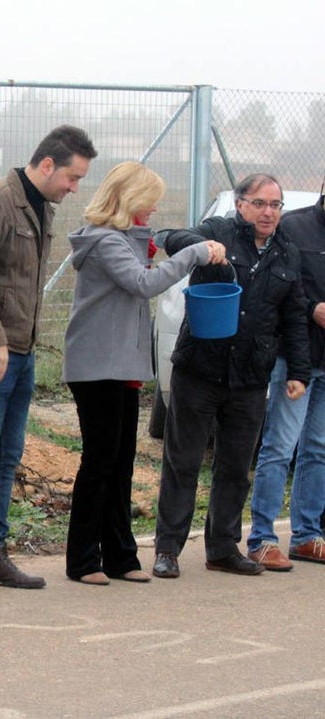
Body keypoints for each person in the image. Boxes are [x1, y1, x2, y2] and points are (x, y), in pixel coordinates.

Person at [0, 125, 96, 598]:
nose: (75, 189)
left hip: (20, 349)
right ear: (47, 164)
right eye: (72, 177)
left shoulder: (39, 205)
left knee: (7, 455)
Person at [62, 162, 225, 585]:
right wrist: (193, 254)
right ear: (129, 199)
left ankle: (119, 555)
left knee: (121, 461)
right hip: (96, 366)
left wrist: (149, 237)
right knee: (99, 461)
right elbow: (142, 283)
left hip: (121, 365)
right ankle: (82, 558)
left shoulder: (123, 240)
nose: (154, 209)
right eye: (148, 201)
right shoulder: (103, 242)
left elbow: (142, 260)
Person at [153, 174, 310, 579]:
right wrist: (199, 247)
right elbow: (168, 235)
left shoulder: (287, 253)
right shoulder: (219, 230)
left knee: (236, 467)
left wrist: (298, 371)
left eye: (276, 205)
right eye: (260, 203)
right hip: (199, 370)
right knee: (183, 462)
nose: (269, 212)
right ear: (241, 204)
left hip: (249, 378)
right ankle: (167, 549)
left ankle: (222, 549)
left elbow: (294, 316)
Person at [247, 190, 325, 569]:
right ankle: (262, 536)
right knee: (279, 446)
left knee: (319, 450)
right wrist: (313, 309)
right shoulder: (293, 226)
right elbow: (279, 290)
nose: (268, 212)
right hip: (296, 358)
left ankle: (308, 535)